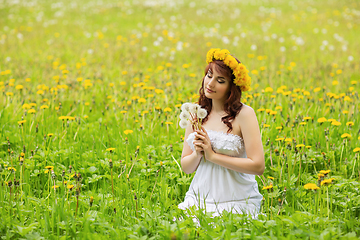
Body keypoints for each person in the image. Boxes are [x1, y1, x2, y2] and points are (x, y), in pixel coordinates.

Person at [178, 48, 265, 220]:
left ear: (231, 87)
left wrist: (212, 156)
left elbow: (258, 166)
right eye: (209, 75)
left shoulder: (244, 115)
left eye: (220, 80)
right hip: (200, 198)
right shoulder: (196, 114)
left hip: (238, 199)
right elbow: (186, 167)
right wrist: (197, 153)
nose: (210, 84)